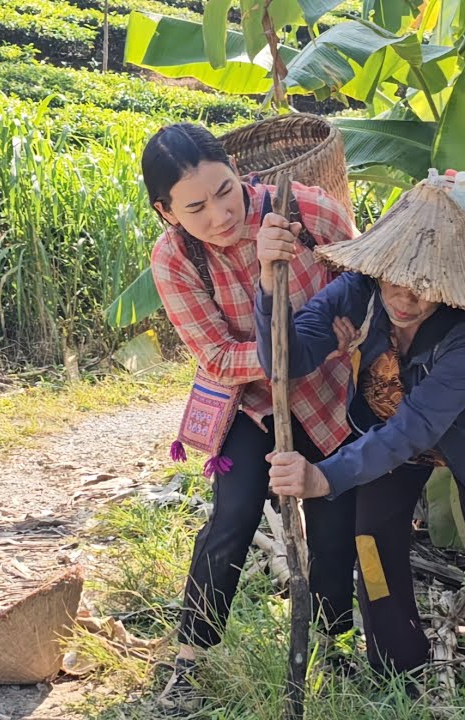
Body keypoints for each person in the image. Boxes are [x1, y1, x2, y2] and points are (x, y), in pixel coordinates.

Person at [253, 175, 465, 715]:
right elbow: (282, 360)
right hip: (382, 435)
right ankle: (395, 666)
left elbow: (417, 429)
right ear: (377, 270)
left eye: (425, 285)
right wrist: (269, 284)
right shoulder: (356, 293)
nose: (407, 297)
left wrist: (325, 476)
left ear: (449, 281)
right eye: (395, 282)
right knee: (373, 545)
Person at [143, 123, 359, 711]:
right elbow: (214, 353)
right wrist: (288, 351)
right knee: (233, 515)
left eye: (225, 191)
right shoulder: (176, 259)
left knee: (334, 522)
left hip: (331, 396)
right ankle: (190, 657)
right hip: (248, 401)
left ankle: (336, 649)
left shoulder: (308, 213)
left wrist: (347, 336)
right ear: (167, 212)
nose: (219, 214)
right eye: (195, 206)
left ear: (240, 173)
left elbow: (364, 285)